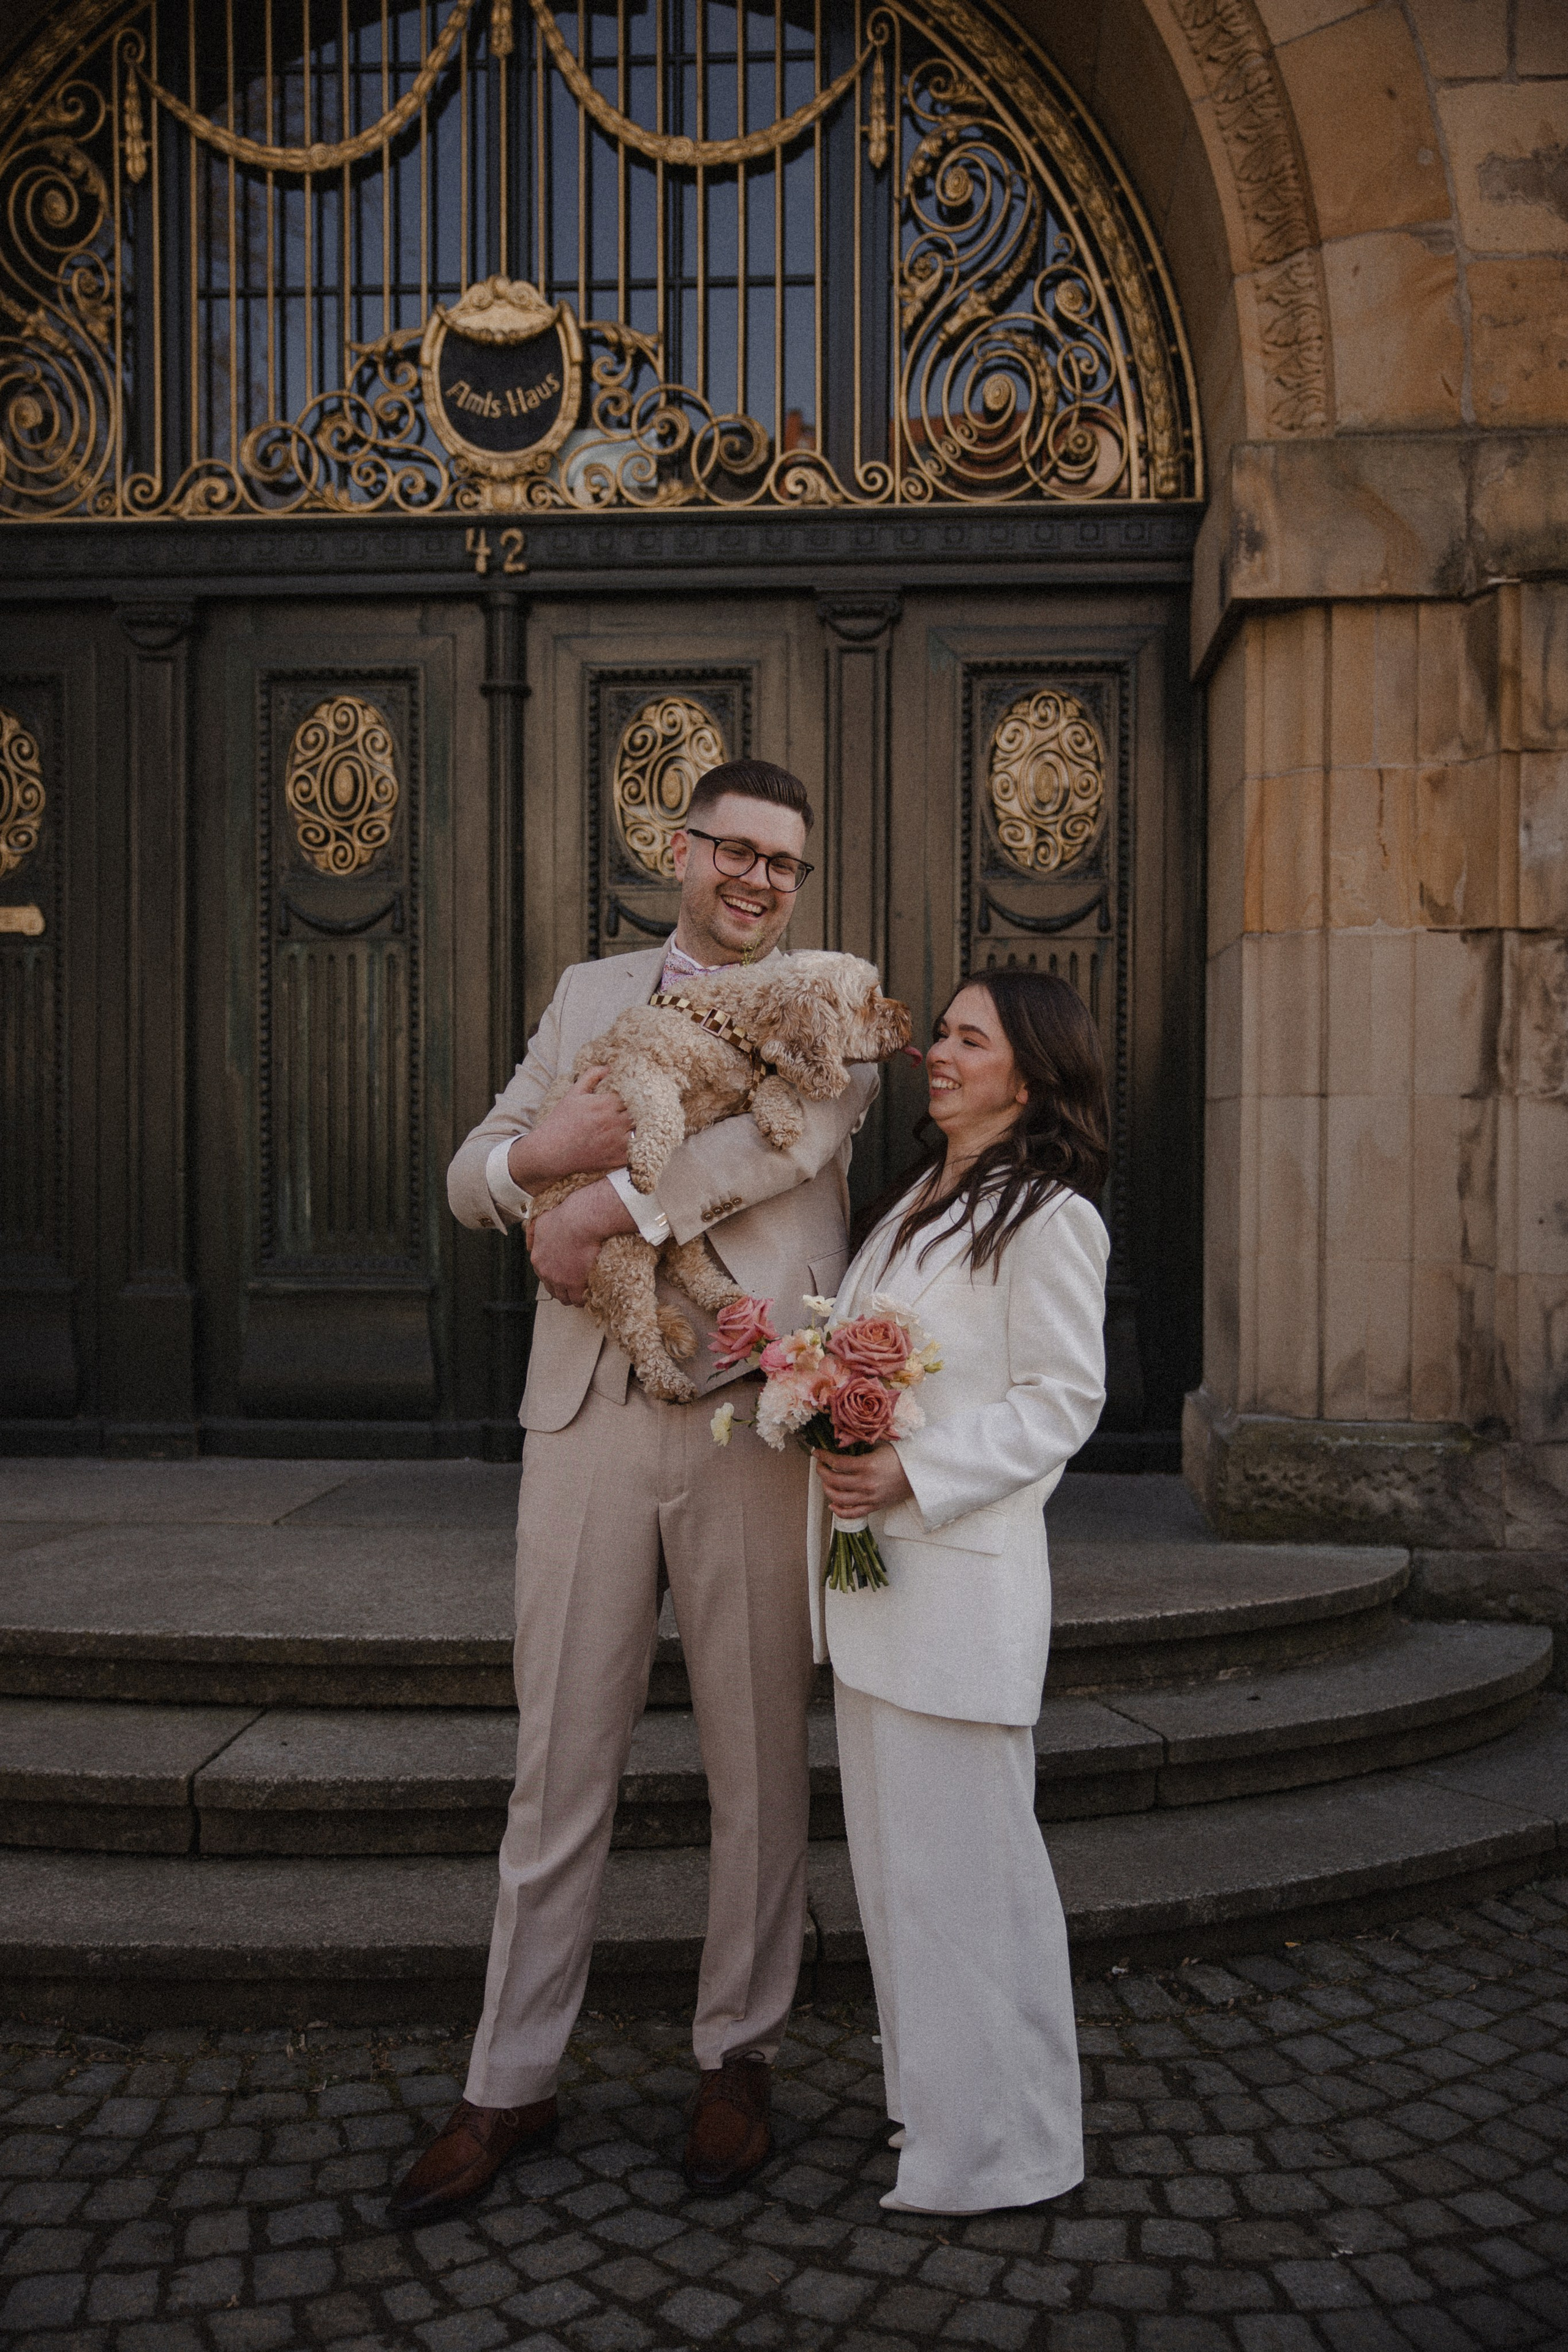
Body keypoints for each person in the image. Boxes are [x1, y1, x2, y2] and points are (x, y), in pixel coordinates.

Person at [389, 761, 878, 2223]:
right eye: (736, 852)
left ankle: (738, 2053)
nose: (758, 882)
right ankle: (508, 2080)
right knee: (559, 1764)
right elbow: (478, 1166)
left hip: (749, 1416)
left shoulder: (830, 1002)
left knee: (754, 1764)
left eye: (784, 864)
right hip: (586, 1412)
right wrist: (540, 1164)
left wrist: (598, 1204)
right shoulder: (586, 987)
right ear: (682, 848)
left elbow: (774, 1145)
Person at [812, 968, 1110, 2215]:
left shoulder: (1047, 1217)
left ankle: (1012, 2151)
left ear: (1028, 1074)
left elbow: (1061, 1403)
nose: (935, 1051)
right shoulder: (906, 1204)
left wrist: (909, 1474)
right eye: (938, 1031)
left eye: (966, 1039)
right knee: (900, 1885)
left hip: (958, 1592)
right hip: (868, 1595)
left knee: (974, 1885)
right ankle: (936, 2122)